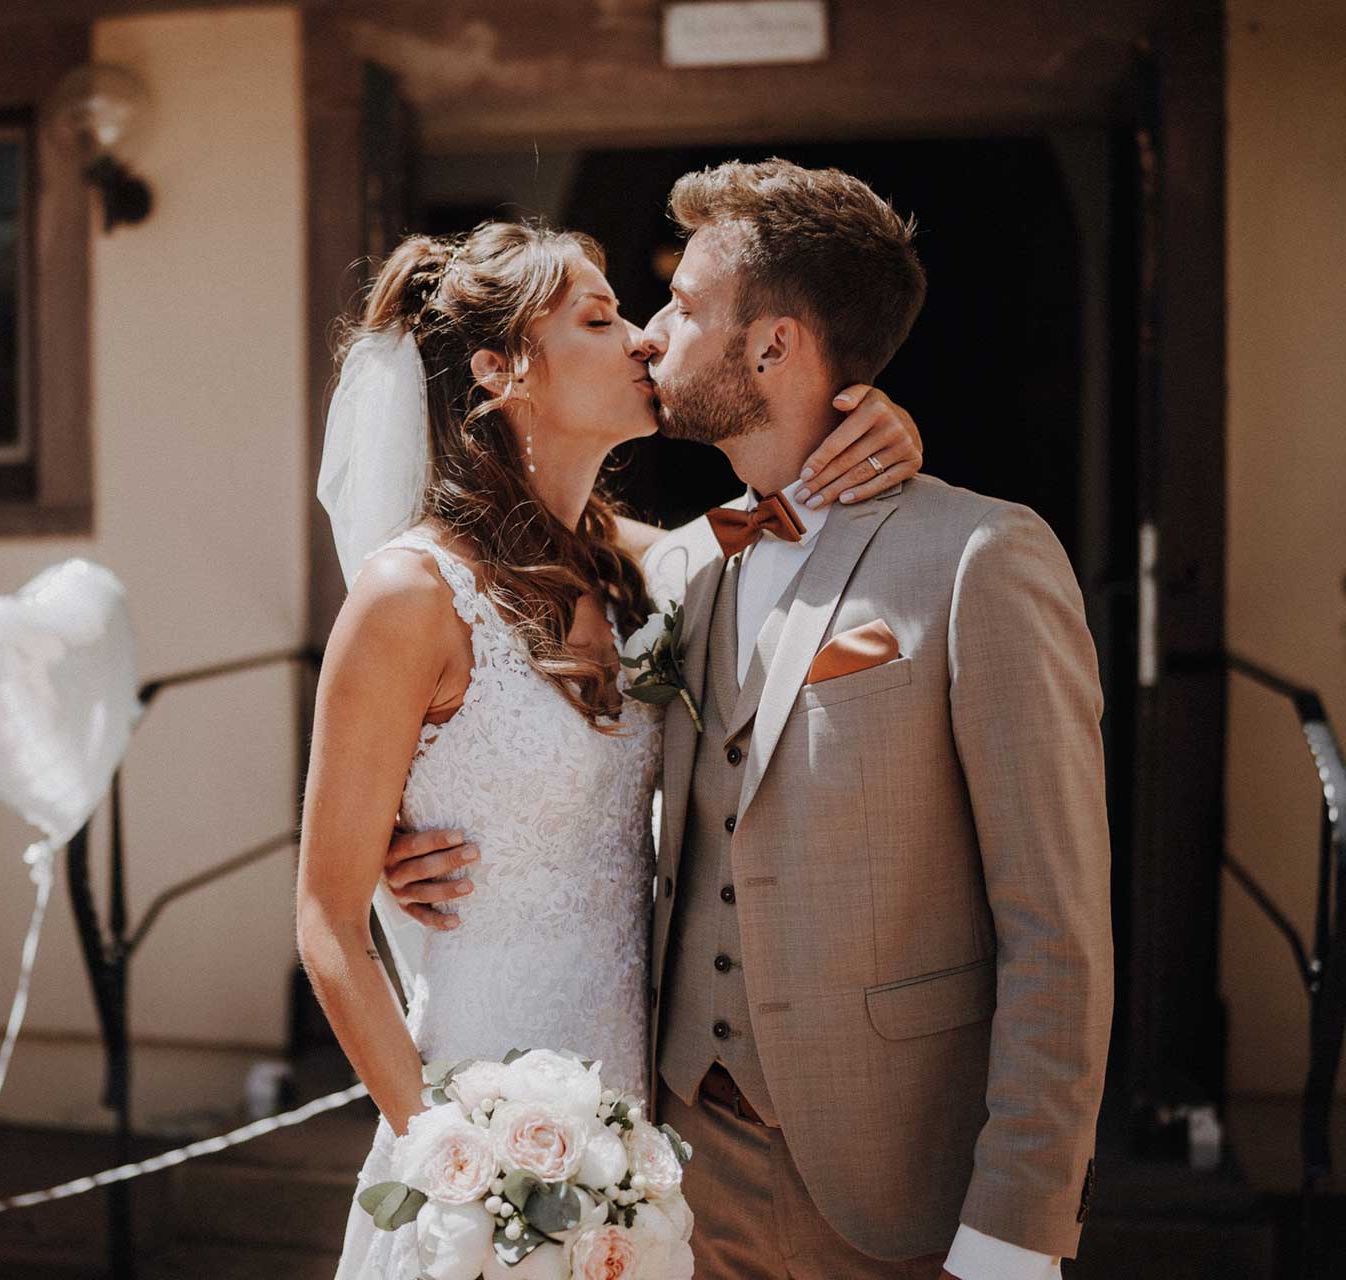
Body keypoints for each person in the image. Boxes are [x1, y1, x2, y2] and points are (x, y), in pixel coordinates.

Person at [393, 160, 1115, 1279]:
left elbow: (1058, 933)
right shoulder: (670, 567)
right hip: (675, 1175)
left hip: (895, 1186)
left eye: (682, 307)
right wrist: (412, 835)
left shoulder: (979, 558)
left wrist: (1016, 1229)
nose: (648, 335)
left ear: (772, 349)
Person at [296, 220, 923, 1280]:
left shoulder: (641, 565)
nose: (640, 339)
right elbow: (326, 919)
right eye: (599, 318)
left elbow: (795, 515)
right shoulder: (411, 596)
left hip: (633, 1133)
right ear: (501, 369)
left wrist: (889, 430)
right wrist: (460, 1165)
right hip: (482, 1134)